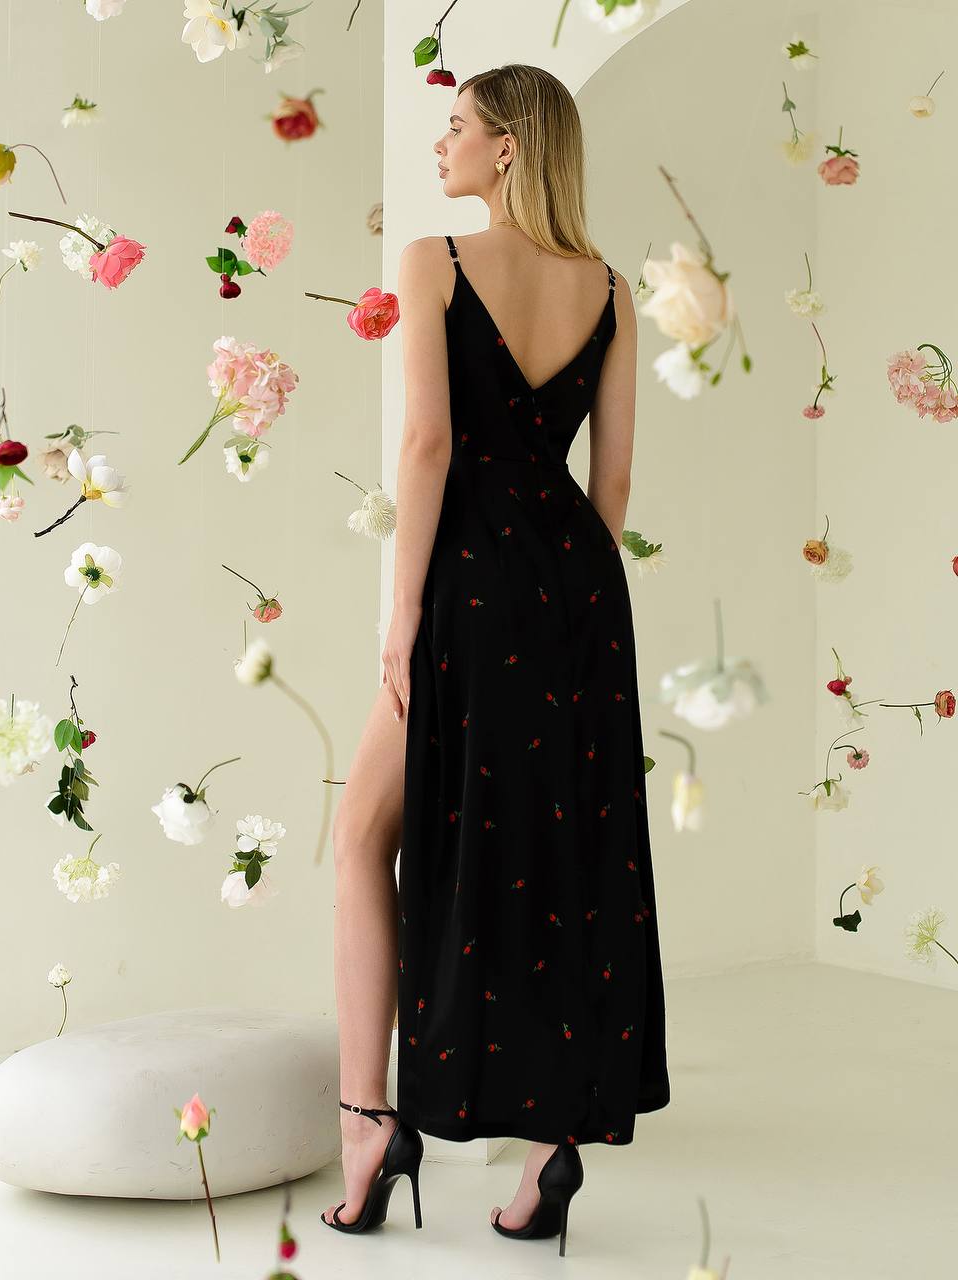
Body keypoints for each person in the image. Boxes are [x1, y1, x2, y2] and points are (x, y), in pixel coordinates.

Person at [320, 64, 670, 1256]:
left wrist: (406, 610)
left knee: (364, 833)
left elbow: (427, 441)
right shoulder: (612, 289)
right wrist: (559, 592)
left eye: (457, 127)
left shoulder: (436, 259)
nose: (440, 146)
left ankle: (368, 1124)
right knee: (560, 849)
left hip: (464, 577)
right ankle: (551, 1149)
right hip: (576, 586)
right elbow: (610, 483)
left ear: (510, 147)